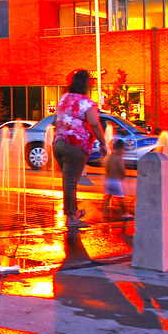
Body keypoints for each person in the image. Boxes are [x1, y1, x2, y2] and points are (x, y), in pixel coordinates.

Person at [53, 69, 110, 228]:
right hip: (75, 145)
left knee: (68, 181)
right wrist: (103, 143)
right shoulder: (86, 102)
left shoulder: (64, 98)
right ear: (86, 84)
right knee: (71, 181)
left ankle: (73, 212)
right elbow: (94, 124)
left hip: (58, 144)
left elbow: (57, 120)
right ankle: (72, 218)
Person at [102, 138, 130, 219]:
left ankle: (103, 213)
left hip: (106, 180)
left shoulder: (109, 157)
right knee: (121, 198)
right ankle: (125, 214)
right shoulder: (118, 158)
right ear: (120, 149)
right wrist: (123, 176)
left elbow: (106, 168)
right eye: (123, 149)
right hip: (114, 181)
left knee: (107, 197)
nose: (124, 151)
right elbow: (121, 169)